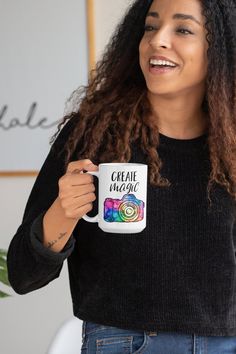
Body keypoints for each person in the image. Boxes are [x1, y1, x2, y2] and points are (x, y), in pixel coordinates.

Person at [7, 0, 236, 353]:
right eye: (149, 26)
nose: (157, 40)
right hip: (123, 342)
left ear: (220, 47)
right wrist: (64, 212)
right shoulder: (91, 136)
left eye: (183, 29)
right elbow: (23, 274)